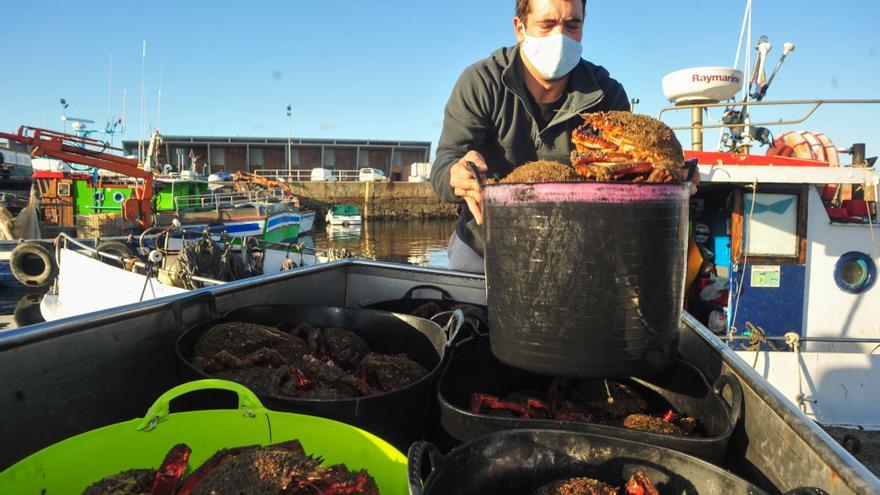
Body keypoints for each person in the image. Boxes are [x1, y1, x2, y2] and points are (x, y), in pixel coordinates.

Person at [430, 0, 630, 273]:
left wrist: (674, 178)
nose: (560, 38)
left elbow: (632, 175)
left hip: (574, 247)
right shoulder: (481, 82)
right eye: (547, 24)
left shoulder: (606, 95)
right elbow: (443, 166)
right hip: (484, 245)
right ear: (520, 28)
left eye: (572, 25)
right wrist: (457, 174)